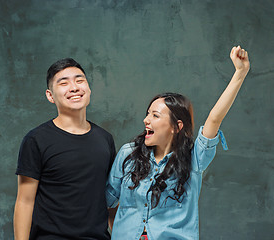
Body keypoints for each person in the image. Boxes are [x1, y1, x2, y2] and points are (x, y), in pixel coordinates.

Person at [106, 46, 250, 240]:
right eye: (147, 113)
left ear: (176, 126)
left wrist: (240, 73)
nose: (146, 120)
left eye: (155, 115)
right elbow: (106, 200)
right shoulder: (128, 154)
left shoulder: (194, 159)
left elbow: (214, 119)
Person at [13, 58, 116, 240]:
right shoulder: (36, 140)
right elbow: (25, 201)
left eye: (79, 80)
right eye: (64, 83)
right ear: (50, 96)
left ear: (89, 89)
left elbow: (110, 199)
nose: (74, 87)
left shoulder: (105, 139)